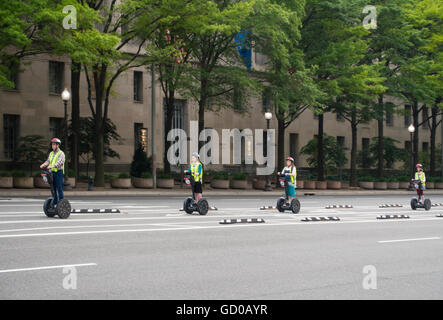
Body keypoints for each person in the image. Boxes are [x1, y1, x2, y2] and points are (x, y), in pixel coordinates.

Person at [40, 138, 65, 207]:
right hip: (51, 173)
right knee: (53, 188)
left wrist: (52, 166)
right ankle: (55, 201)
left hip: (58, 173)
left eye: (54, 144)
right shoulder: (51, 153)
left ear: (58, 145)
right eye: (52, 144)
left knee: (59, 187)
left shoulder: (61, 154)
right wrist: (43, 164)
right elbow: (48, 161)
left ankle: (62, 202)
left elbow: (59, 162)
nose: (52, 146)